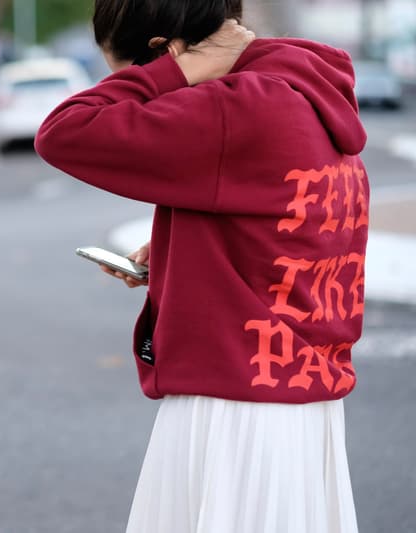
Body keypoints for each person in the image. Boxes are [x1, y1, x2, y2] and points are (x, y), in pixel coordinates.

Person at [34, 1, 368, 532]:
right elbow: (293, 227)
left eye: (130, 77)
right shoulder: (305, 94)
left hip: (236, 409)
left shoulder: (238, 105)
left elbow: (64, 132)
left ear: (163, 50)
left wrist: (181, 71)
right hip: (297, 398)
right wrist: (176, 247)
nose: (139, 93)